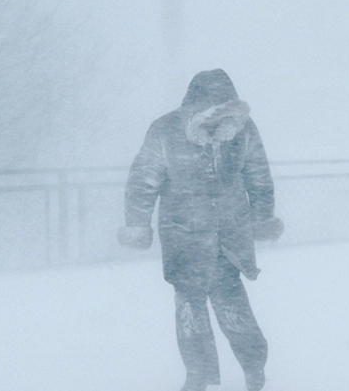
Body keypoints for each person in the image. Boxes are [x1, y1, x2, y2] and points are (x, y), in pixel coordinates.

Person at [118, 69, 283, 391]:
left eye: (224, 114)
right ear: (194, 110)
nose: (216, 122)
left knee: (233, 305)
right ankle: (198, 375)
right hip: (182, 237)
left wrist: (263, 219)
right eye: (210, 114)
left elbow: (259, 178)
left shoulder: (243, 131)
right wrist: (137, 225)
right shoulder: (165, 131)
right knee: (189, 311)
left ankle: (254, 368)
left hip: (229, 238)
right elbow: (142, 182)